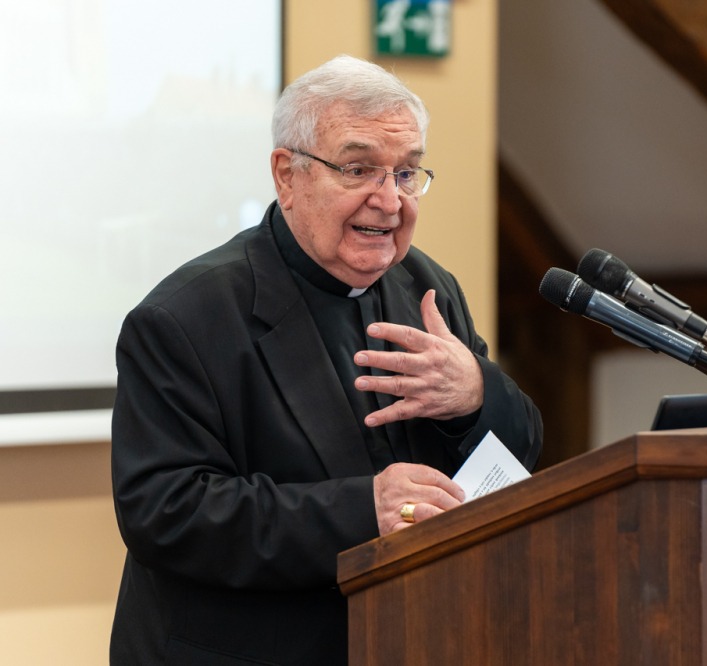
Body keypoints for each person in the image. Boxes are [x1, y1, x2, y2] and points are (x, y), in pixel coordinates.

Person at [109, 54, 543, 665]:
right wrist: (364, 511)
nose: (389, 201)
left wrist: (475, 394)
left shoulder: (428, 288)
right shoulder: (185, 317)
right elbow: (166, 512)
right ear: (287, 176)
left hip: (415, 636)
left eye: (406, 173)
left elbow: (518, 454)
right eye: (359, 170)